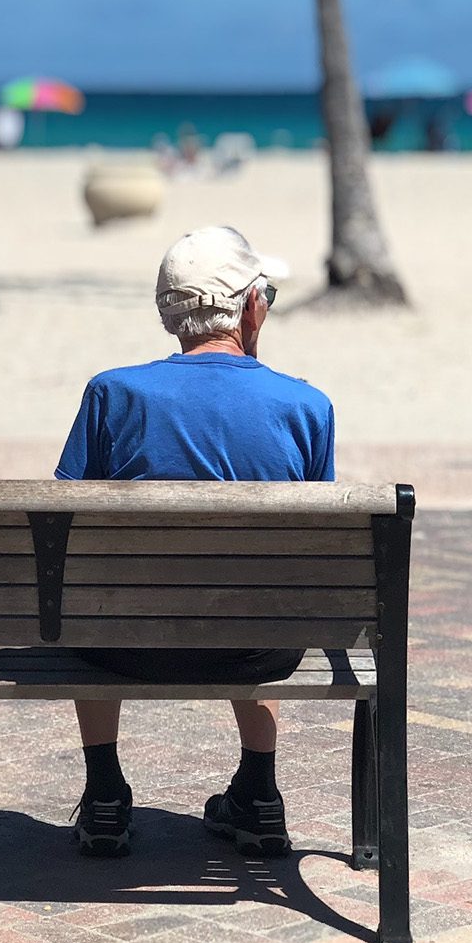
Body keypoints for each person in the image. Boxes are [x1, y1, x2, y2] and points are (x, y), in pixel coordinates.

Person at [54, 226, 335, 859]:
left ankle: (103, 793)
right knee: (261, 585)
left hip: (125, 647)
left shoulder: (113, 395)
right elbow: (312, 552)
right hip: (257, 651)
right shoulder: (306, 406)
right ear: (250, 307)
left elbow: (63, 525)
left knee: (90, 593)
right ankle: (259, 793)